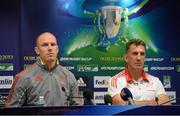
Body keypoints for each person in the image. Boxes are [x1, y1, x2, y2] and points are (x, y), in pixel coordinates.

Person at [5, 32, 82, 107]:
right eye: (45, 45)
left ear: (57, 49)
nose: (50, 48)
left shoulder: (69, 76)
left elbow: (78, 108)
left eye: (53, 44)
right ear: (37, 50)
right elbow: (11, 111)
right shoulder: (23, 77)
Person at [108, 39, 171, 105]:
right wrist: (148, 103)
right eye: (135, 53)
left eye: (142, 54)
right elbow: (119, 104)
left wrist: (132, 103)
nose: (139, 58)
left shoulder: (155, 80)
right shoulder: (115, 80)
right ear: (126, 57)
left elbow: (166, 104)